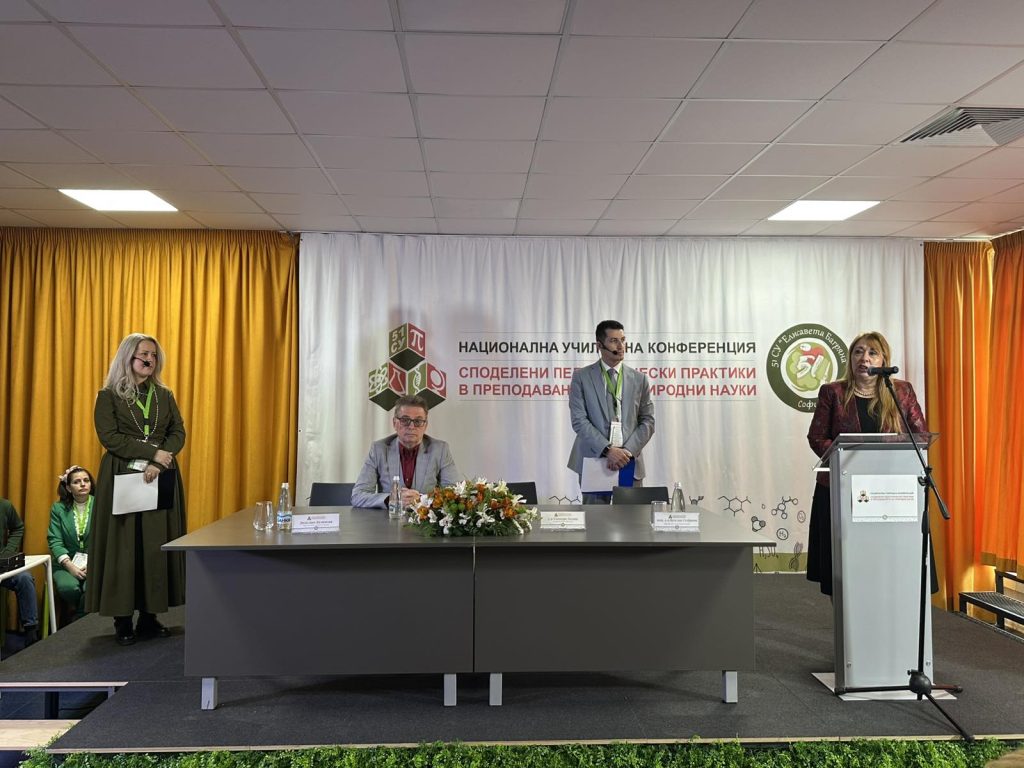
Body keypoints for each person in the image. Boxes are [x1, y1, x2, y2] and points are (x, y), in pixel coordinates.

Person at [806, 331, 928, 596]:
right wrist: (851, 461)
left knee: (884, 564)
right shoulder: (833, 392)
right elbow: (816, 437)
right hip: (841, 489)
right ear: (850, 359)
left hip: (890, 491)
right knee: (842, 568)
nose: (864, 358)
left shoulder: (902, 391)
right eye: (858, 352)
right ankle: (846, 620)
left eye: (873, 352)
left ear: (884, 360)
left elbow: (920, 436)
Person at [88, 333, 186, 646]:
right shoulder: (108, 396)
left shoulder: (164, 395)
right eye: (143, 354)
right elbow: (110, 437)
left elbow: (177, 431)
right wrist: (153, 454)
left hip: (160, 474)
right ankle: (122, 619)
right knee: (125, 547)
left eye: (153, 355)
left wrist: (160, 461)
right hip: (122, 475)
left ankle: (149, 616)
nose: (149, 360)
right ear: (128, 357)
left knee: (154, 545)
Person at [567, 320, 656, 503]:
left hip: (629, 462)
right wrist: (607, 450)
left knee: (632, 519)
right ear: (599, 345)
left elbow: (648, 421)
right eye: (614, 341)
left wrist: (626, 452)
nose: (621, 346)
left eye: (623, 340)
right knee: (595, 519)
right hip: (594, 459)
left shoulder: (639, 379)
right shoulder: (581, 377)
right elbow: (579, 420)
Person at [352, 395, 461, 509]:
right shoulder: (379, 449)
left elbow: (454, 495)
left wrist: (422, 500)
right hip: (389, 518)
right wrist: (391, 499)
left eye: (418, 421)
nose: (411, 426)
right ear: (395, 423)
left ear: (425, 425)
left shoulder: (440, 450)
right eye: (405, 420)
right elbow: (357, 496)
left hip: (426, 519)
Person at [47, 465, 96, 620]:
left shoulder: (101, 504)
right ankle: (82, 617)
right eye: (76, 482)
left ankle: (77, 619)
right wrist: (69, 566)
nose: (83, 484)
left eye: (86, 480)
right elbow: (54, 540)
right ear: (68, 488)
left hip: (96, 562)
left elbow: (108, 538)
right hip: (65, 563)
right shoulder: (58, 508)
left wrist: (93, 562)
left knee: (91, 589)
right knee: (69, 588)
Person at [0, 497, 39, 645]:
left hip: (2, 564)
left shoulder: (4, 506)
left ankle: (31, 633)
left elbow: (18, 528)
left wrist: (8, 552)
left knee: (24, 578)